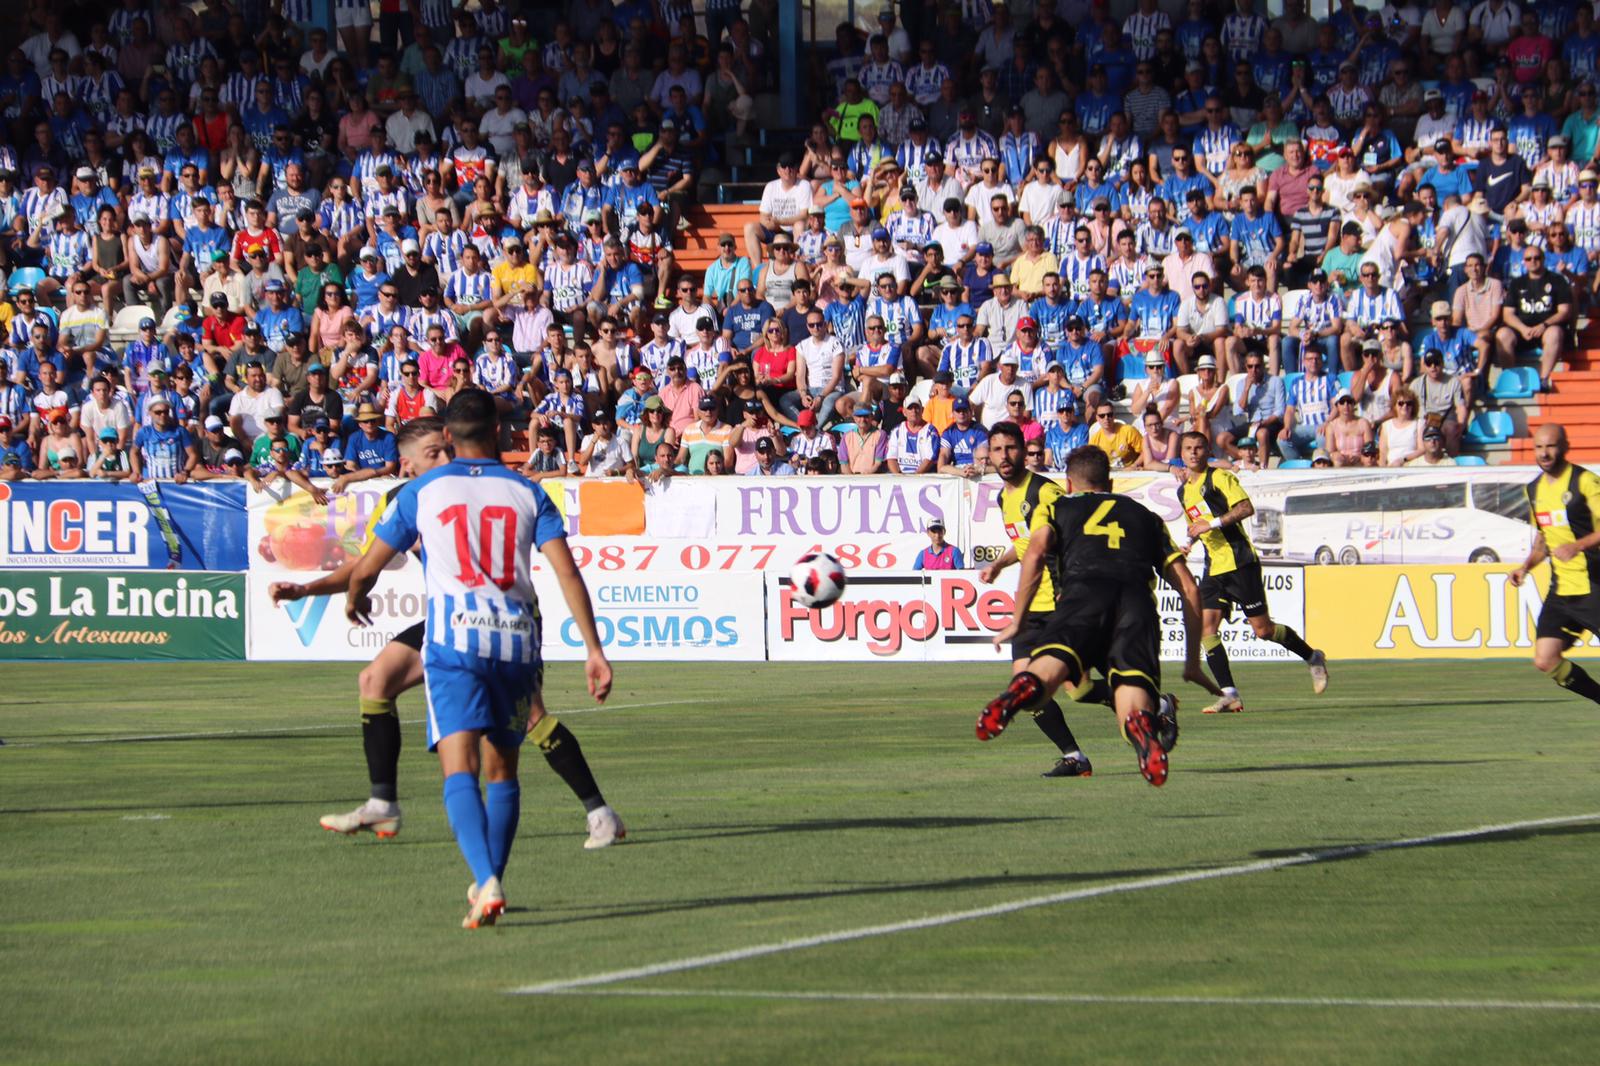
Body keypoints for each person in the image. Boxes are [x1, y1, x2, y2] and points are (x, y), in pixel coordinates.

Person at [343, 392, 615, 928]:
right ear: (500, 430)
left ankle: (487, 880)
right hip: (516, 642)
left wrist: (355, 596)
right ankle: (492, 880)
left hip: (455, 644)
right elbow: (566, 572)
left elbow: (367, 566)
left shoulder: (420, 491)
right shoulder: (527, 491)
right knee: (504, 770)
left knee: (459, 766)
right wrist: (593, 648)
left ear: (446, 437)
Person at [980, 443, 1207, 788]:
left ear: (1069, 484)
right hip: (1136, 602)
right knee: (1132, 696)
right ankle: (1141, 728)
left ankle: (1024, 688)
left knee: (1046, 673)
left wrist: (1016, 619)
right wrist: (1192, 661)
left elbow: (1036, 553)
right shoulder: (1147, 518)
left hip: (1082, 595)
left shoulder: (1055, 506)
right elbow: (1190, 589)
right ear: (1111, 483)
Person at [1176, 432, 1329, 714]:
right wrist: (1188, 542)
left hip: (1240, 562)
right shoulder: (1183, 491)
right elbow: (1198, 525)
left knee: (1263, 630)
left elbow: (1245, 508)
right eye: (1188, 448)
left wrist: (1210, 525)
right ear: (1181, 453)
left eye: (1198, 448)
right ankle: (1230, 694)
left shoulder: (1220, 478)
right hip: (1214, 567)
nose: (1193, 453)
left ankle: (1313, 656)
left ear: (1206, 450)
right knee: (1206, 629)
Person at [1510, 423, 1600, 710]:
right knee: (1545, 659)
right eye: (1538, 447)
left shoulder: (1585, 481)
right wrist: (1526, 567)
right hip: (1561, 591)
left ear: (1564, 447)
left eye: (1550, 446)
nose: (1544, 453)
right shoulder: (1534, 489)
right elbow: (1544, 540)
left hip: (1594, 584)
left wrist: (1577, 545)